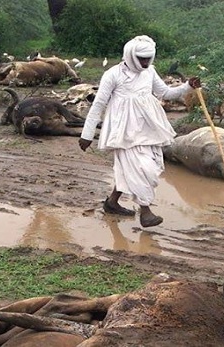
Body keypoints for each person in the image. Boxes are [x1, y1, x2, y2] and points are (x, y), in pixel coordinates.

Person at [79, 35, 201, 227]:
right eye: (141, 59)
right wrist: (87, 134)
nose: (145, 62)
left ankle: (112, 202)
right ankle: (145, 211)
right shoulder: (113, 74)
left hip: (149, 127)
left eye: (148, 59)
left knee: (141, 166)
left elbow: (165, 93)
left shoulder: (150, 71)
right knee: (142, 168)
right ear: (131, 56)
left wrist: (187, 87)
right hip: (124, 131)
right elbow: (98, 105)